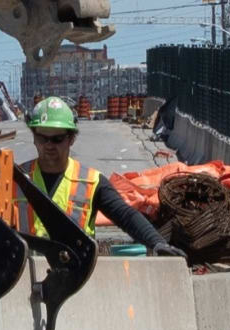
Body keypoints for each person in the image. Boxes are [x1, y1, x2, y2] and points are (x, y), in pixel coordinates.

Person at [18, 96, 162, 251]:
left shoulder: (91, 182)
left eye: (57, 139)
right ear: (33, 137)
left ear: (71, 138)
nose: (49, 145)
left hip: (77, 272)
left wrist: (157, 243)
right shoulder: (16, 177)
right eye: (42, 138)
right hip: (26, 271)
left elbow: (126, 215)